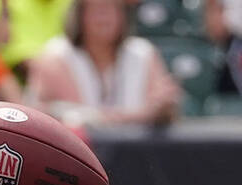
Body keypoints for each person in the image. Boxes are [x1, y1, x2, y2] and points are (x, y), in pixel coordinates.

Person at [25, 0, 182, 126]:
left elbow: (164, 110)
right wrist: (143, 115)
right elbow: (37, 117)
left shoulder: (144, 53)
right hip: (77, 157)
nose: (104, 16)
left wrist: (164, 108)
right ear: (79, 15)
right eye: (95, 9)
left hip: (139, 157)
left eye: (111, 7)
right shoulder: (54, 56)